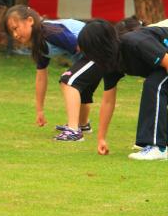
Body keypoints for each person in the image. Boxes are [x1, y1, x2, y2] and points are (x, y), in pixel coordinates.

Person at [67, 18, 168, 160]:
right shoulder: (110, 62)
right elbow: (108, 101)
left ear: (99, 46)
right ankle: (156, 143)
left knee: (154, 85)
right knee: (154, 84)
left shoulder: (135, 43)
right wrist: (101, 138)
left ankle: (158, 147)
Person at [4, 5, 90, 141]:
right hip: (87, 55)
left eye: (16, 28)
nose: (15, 35)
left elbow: (80, 47)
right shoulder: (39, 44)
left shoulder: (49, 33)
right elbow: (41, 78)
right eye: (11, 32)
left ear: (30, 21)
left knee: (69, 82)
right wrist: (40, 111)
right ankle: (83, 124)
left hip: (95, 49)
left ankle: (74, 131)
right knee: (76, 85)